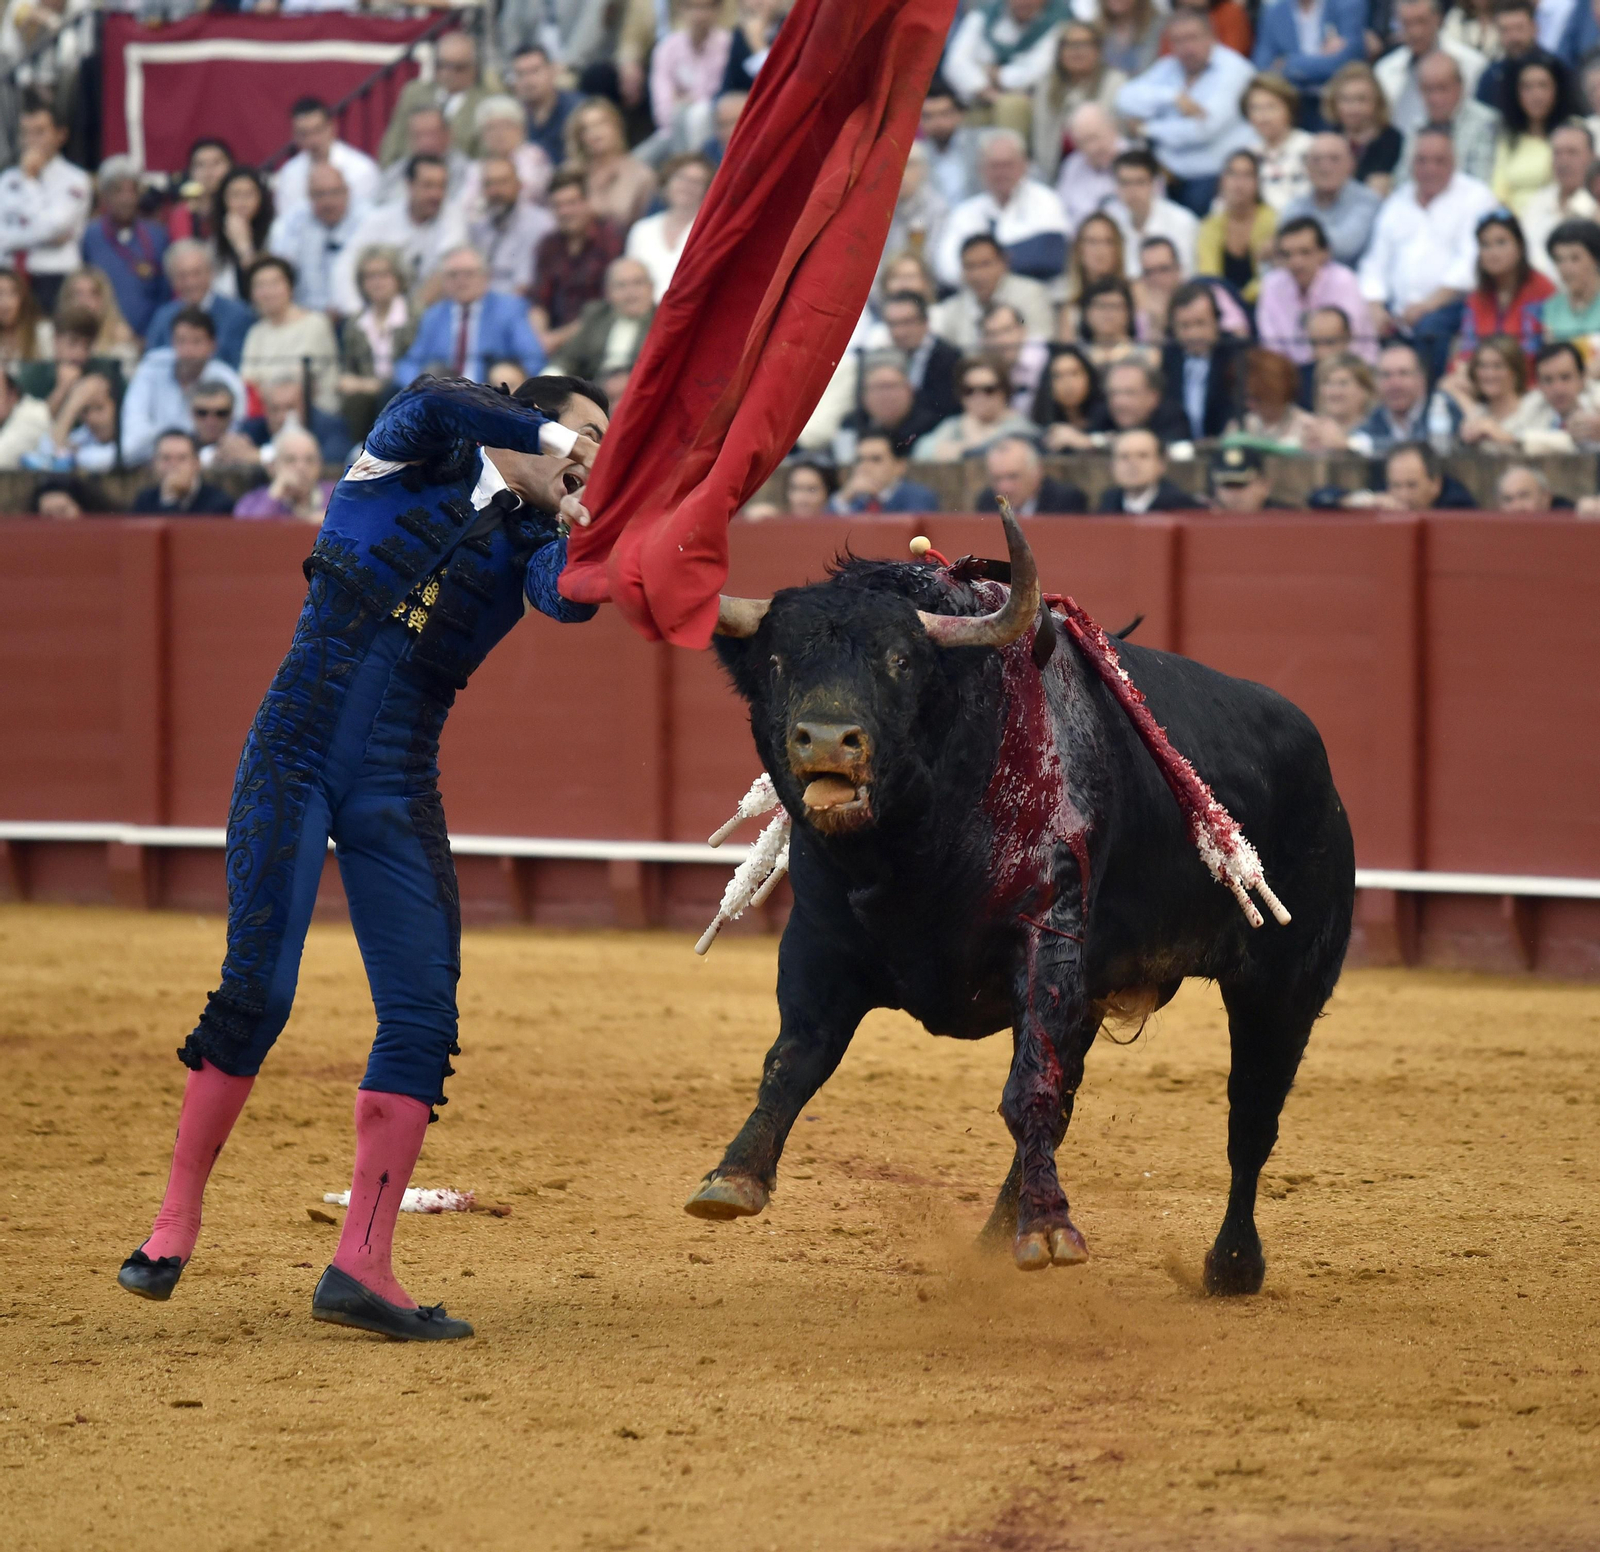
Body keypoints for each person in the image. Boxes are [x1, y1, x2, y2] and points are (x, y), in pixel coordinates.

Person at [116, 371, 605, 1341]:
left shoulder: (533, 545)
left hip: (397, 783)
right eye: (579, 434)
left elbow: (571, 601)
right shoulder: (409, 454)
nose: (590, 455)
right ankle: (174, 1223)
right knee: (258, 990)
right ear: (526, 418)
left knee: (424, 1014)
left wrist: (612, 531)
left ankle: (362, 1265)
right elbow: (437, 397)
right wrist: (551, 431)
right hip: (293, 750)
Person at [1358, 128, 1497, 375]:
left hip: (1451, 304)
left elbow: (1470, 263)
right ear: (1411, 164)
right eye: (1421, 160)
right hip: (1398, 309)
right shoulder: (1397, 201)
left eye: (1439, 161)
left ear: (1454, 163)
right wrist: (1376, 307)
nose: (1429, 168)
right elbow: (1375, 261)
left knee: (1430, 328)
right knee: (1362, 323)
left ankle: (1430, 401)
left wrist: (1427, 305)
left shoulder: (1476, 198)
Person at [1114, 9, 1256, 214]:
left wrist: (1147, 128)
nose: (1186, 47)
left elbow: (1204, 129)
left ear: (1211, 37)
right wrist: (1173, 98)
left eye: (1193, 37)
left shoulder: (1234, 70)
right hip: (1167, 176)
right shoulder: (1169, 67)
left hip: (1213, 178)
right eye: (1178, 40)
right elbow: (1124, 98)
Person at [934, 128, 1070, 289]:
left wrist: (977, 266)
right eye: (994, 166)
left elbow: (1050, 257)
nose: (1001, 173)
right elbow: (947, 269)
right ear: (981, 169)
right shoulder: (965, 213)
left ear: (1024, 166)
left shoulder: (1046, 200)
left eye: (1007, 165)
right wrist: (1016, 256)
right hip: (975, 300)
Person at [332, 156, 467, 318]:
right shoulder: (381, 219)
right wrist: (355, 311)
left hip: (433, 315)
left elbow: (446, 268)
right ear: (409, 185)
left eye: (441, 186)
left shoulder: (452, 217)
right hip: (380, 314)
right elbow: (347, 262)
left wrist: (408, 319)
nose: (436, 194)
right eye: (428, 185)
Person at [396, 247, 545, 387]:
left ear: (486, 277)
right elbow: (410, 362)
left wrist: (514, 374)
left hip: (492, 393)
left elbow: (533, 358)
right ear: (443, 281)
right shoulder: (433, 315)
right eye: (453, 275)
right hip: (443, 393)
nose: (461, 281)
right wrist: (418, 382)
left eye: (469, 274)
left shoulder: (509, 309)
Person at [121, 307, 247, 466]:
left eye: (196, 342)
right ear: (172, 342)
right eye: (181, 341)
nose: (188, 351)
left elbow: (232, 438)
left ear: (212, 346)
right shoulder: (151, 368)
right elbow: (133, 436)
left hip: (211, 465)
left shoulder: (229, 381)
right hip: (149, 462)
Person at [0, 96, 90, 312]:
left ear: (61, 135)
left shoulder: (76, 180)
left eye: (39, 132)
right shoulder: (8, 179)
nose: (30, 140)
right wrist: (44, 238)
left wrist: (30, 181)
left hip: (55, 278)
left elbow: (52, 227)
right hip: (10, 277)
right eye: (25, 132)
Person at [529, 170, 626, 356]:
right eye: (558, 205)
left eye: (571, 203)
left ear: (587, 203)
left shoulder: (610, 239)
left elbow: (607, 306)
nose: (565, 211)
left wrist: (556, 339)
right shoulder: (548, 245)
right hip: (550, 341)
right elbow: (538, 301)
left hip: (596, 340)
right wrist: (540, 338)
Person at [1258, 214, 1378, 363]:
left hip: (1350, 370)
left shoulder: (1343, 280)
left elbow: (1345, 343)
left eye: (1304, 252)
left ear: (1325, 253)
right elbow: (1271, 345)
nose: (1296, 262)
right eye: (1287, 254)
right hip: (1292, 374)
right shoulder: (1272, 284)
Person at [944, 0, 1067, 137]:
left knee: (1010, 106)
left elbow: (1038, 72)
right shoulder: (984, 14)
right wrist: (987, 92)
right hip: (981, 97)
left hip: (1034, 99)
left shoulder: (1058, 20)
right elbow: (955, 63)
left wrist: (996, 74)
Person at [240, 255, 341, 417]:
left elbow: (302, 382)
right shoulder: (256, 332)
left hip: (314, 413)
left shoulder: (315, 323)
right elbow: (248, 382)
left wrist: (266, 387)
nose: (267, 292)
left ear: (290, 287)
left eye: (274, 284)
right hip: (268, 416)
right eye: (260, 286)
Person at [81, 157, 170, 339]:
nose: (126, 199)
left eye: (132, 191)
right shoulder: (91, 235)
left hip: (149, 335)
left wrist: (150, 335)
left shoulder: (157, 235)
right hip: (102, 335)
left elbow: (165, 292)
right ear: (104, 196)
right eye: (117, 191)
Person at [1453, 209, 1554, 362]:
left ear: (1520, 247)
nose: (1493, 252)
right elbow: (1466, 352)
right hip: (1483, 378)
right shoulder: (1476, 298)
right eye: (1485, 245)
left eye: (1501, 242)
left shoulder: (1543, 290)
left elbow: (1544, 351)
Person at [1033, 23, 1128, 182]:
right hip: (1054, 172)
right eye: (1070, 45)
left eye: (1084, 44)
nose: (1077, 51)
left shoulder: (1116, 83)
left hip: (1104, 171)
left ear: (1097, 50)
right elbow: (1040, 138)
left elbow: (1116, 137)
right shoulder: (1047, 86)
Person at [267, 164, 365, 318]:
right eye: (319, 194)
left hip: (358, 315)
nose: (328, 202)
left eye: (334, 192)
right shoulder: (291, 224)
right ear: (308, 196)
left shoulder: (369, 221)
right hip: (305, 316)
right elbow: (279, 271)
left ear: (347, 192)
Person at [379, 31, 489, 166]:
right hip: (408, 176)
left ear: (474, 69)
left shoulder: (486, 104)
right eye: (441, 65)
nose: (447, 73)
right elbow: (393, 142)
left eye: (458, 68)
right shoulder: (414, 93)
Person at [1376, 0, 1488, 132]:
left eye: (1421, 21)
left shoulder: (1471, 63)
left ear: (1438, 19)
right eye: (1407, 24)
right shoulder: (1384, 70)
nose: (1415, 32)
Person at [338, 247, 416, 436]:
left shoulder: (416, 317)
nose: (376, 282)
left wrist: (377, 386)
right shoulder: (354, 323)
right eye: (369, 276)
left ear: (398, 278)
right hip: (366, 399)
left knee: (390, 395)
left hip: (405, 394)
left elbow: (418, 365)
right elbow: (348, 369)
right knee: (355, 402)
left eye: (383, 274)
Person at [930, 233, 1054, 349]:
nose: (978, 274)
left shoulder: (1031, 293)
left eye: (985, 264)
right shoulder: (952, 309)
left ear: (1004, 262)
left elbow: (1041, 344)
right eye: (970, 266)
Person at [145, 239, 254, 367]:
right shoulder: (163, 317)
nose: (190, 282)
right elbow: (152, 364)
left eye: (196, 273)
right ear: (172, 280)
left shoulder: (239, 315)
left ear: (211, 273)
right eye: (182, 275)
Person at [1396, 52, 1499, 186]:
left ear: (1460, 87)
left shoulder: (1486, 122)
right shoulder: (1416, 126)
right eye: (1428, 89)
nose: (1435, 98)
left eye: (1442, 88)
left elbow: (1481, 180)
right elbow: (1402, 180)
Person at [1279, 134, 1382, 268]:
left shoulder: (1368, 201)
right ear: (1306, 167)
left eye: (1334, 159)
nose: (1325, 167)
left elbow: (1345, 247)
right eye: (1316, 160)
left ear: (1351, 164)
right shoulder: (1296, 204)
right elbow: (1280, 246)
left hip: (1354, 283)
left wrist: (1298, 242)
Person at [625, 153, 713, 303]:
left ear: (707, 190)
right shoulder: (641, 229)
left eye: (697, 182)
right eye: (681, 178)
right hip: (645, 316)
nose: (687, 186)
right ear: (667, 182)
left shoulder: (709, 232)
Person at [1162, 279, 1244, 438]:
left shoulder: (1237, 354)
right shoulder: (1168, 357)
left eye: (1200, 323)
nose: (1193, 334)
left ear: (1217, 321)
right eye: (1185, 326)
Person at [913, 354, 1038, 460]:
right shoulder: (954, 424)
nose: (978, 397)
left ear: (1004, 391)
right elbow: (921, 450)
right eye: (969, 390)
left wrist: (961, 450)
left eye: (988, 390)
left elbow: (997, 450)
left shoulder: (1019, 427)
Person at [463, 157, 553, 302]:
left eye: (502, 182)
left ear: (519, 185)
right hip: (479, 304)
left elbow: (524, 286)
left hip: (517, 306)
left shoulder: (539, 224)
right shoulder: (478, 226)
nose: (495, 191)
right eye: (489, 184)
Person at [550, 255, 655, 380]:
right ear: (608, 292)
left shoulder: (663, 322)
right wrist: (548, 381)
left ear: (651, 287)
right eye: (621, 285)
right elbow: (567, 359)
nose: (630, 293)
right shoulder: (596, 315)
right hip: (594, 392)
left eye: (637, 283)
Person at [273, 97, 380, 220]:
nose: (312, 140)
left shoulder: (361, 169)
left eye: (317, 130)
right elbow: (286, 222)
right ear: (294, 136)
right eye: (304, 134)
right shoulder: (289, 174)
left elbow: (368, 217)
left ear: (332, 127)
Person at [1492, 58, 1573, 215]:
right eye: (1527, 87)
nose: (1536, 95)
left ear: (1557, 89)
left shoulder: (1572, 131)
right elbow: (1499, 192)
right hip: (1515, 227)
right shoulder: (1509, 138)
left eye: (1543, 85)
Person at [1352, 339, 1463, 451]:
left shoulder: (1447, 410)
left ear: (1421, 379)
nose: (1395, 384)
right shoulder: (1370, 422)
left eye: (1403, 373)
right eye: (1386, 375)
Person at [1196, 148, 1276, 303]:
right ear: (1222, 181)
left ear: (1258, 182)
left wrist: (1240, 300)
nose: (1239, 183)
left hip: (1264, 302)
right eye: (1232, 174)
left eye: (1247, 175)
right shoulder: (1210, 225)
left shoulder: (1273, 222)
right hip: (1222, 308)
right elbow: (1209, 277)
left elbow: (1269, 279)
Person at [1522, 121, 1599, 281]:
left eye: (1572, 153)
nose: (1563, 161)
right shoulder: (1537, 202)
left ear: (1593, 157)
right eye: (1557, 153)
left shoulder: (1596, 206)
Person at [1105, 148, 1199, 278]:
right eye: (1125, 183)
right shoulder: (1109, 220)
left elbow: (1187, 275)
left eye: (1140, 182)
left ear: (1155, 184)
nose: (1132, 191)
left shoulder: (1182, 221)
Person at [832, 353, 941, 465]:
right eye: (878, 388)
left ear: (909, 390)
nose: (885, 395)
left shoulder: (930, 423)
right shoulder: (851, 424)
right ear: (863, 395)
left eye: (891, 386)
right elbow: (844, 462)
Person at [565, 98, 656, 230]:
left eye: (601, 124)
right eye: (585, 128)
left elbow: (645, 226)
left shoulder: (641, 175)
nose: (594, 133)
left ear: (616, 126)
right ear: (579, 136)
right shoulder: (569, 173)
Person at [1251, 0, 1364, 100]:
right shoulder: (1274, 12)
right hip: (1292, 99)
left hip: (1336, 98)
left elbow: (1346, 61)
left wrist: (1287, 63)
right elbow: (1263, 66)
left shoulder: (1347, 4)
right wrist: (1322, 58)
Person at [650, 0, 733, 135]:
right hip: (671, 133)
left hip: (714, 131)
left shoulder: (729, 45)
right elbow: (661, 110)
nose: (699, 15)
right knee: (640, 155)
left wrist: (683, 101)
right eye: (692, 7)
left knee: (698, 116)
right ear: (681, 8)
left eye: (705, 7)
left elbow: (720, 99)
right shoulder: (666, 49)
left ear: (718, 9)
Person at [880, 289, 962, 423]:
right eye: (893, 324)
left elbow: (946, 412)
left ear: (926, 322)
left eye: (907, 322)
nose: (900, 332)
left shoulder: (950, 359)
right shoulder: (883, 358)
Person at [238, 374, 353, 469]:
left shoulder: (330, 426)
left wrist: (262, 456)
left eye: (290, 408)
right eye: (275, 409)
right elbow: (234, 450)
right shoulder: (255, 428)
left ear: (306, 406)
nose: (281, 417)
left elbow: (333, 459)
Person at [1323, 61, 1404, 195]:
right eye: (1346, 100)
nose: (1353, 109)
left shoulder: (1392, 139)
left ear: (1377, 102)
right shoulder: (1329, 138)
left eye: (1361, 100)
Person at [1448, 335, 1545, 444]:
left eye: (1498, 366)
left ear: (1515, 371)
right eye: (1482, 366)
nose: (1489, 374)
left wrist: (1504, 437)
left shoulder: (1536, 403)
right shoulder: (1479, 414)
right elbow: (1446, 383)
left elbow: (1558, 442)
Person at [373, 107, 472, 212]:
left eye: (431, 134)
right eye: (419, 135)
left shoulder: (465, 171)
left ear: (447, 135)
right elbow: (377, 205)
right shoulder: (397, 171)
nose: (425, 142)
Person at [1053, 103, 1127, 236]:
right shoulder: (1071, 167)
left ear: (1112, 129)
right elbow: (1060, 216)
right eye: (1084, 142)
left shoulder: (1138, 162)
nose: (1092, 148)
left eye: (1095, 137)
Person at [31, 365, 120, 473]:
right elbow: (46, 452)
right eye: (85, 410)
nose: (92, 418)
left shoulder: (132, 437)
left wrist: (70, 454)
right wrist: (72, 405)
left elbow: (106, 459)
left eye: (99, 408)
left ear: (118, 406)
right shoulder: (87, 434)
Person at [1242, 73, 1312, 211]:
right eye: (1255, 108)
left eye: (1271, 107)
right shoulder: (1246, 156)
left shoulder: (1311, 148)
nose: (1263, 116)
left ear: (1289, 109)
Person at [829, 428, 940, 513]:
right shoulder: (852, 499)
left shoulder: (918, 497)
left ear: (900, 466)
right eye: (860, 459)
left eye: (876, 459)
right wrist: (844, 497)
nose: (865, 467)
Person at [232, 427, 331, 522]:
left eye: (310, 460)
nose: (301, 468)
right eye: (290, 460)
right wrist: (274, 496)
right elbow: (248, 533)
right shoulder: (251, 502)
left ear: (320, 465)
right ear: (272, 467)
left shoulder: (337, 497)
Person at [208, 167, 275, 306]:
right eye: (235, 195)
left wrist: (243, 246)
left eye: (249, 194)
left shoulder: (276, 232)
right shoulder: (215, 241)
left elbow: (267, 283)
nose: (242, 201)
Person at [56, 266, 141, 376]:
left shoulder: (121, 341)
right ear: (67, 299)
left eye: (93, 294)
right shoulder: (49, 335)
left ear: (105, 299)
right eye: (78, 294)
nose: (85, 302)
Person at [975, 432, 1088, 514]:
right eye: (997, 478)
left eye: (1013, 476)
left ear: (1036, 472)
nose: (1005, 487)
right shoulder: (988, 502)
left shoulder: (1065, 500)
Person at [130, 429, 236, 515]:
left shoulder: (218, 503)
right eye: (166, 458)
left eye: (182, 458)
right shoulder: (145, 501)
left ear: (196, 463)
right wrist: (169, 499)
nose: (173, 465)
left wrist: (171, 499)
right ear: (154, 463)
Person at [1519, 338, 1600, 447]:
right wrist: (1566, 437)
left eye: (1565, 377)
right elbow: (1515, 439)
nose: (1558, 389)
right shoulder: (1528, 406)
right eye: (1548, 380)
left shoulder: (1596, 396)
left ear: (1582, 378)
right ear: (1538, 384)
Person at [511, 45, 582, 171]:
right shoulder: (512, 117)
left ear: (552, 71)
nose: (528, 80)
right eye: (520, 74)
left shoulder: (577, 110)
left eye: (535, 71)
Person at [1229, 346, 1318, 443]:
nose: (1249, 404)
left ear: (1280, 392)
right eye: (1246, 397)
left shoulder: (1310, 428)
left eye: (1258, 398)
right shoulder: (1238, 427)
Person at [1096, 426, 1195, 510]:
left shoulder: (1183, 507)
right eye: (1124, 457)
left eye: (1143, 456)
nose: (1133, 464)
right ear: (1112, 465)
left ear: (1161, 463)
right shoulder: (1107, 505)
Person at [1098, 355, 1195, 440]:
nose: (1119, 402)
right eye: (1113, 393)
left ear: (1153, 396)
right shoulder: (1102, 415)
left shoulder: (1173, 418)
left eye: (1129, 393)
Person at [1029, 343, 1105, 450]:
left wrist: (1087, 441)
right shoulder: (1041, 430)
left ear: (1088, 376)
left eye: (1074, 373)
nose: (1068, 383)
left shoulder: (1110, 416)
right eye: (1058, 376)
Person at [919, 79, 983, 207]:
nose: (938, 123)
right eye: (928, 116)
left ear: (960, 114)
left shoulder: (984, 144)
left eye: (944, 114)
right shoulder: (917, 154)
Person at [1300, 348, 1378, 449]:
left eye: (1343, 383)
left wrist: (1347, 444)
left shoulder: (1378, 427)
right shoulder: (1309, 429)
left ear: (1365, 390)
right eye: (1327, 383)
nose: (1334, 392)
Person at [981, 301, 1050, 411]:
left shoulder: (1047, 357)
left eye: (1007, 330)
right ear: (983, 341)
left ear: (1022, 330)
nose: (1001, 341)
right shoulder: (982, 369)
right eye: (992, 334)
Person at [1540, 216, 1600, 338]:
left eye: (1575, 258)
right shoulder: (1552, 308)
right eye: (1559, 260)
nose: (1566, 268)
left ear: (1595, 259)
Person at [1377, 438, 1478, 507]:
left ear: (1435, 484)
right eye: (1396, 486)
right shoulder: (1380, 502)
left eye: (1412, 485)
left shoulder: (1458, 507)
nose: (1404, 495)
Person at [169, 138, 233, 246]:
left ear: (230, 167)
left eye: (216, 163)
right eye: (200, 165)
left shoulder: (240, 208)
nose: (208, 171)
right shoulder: (182, 214)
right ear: (190, 172)